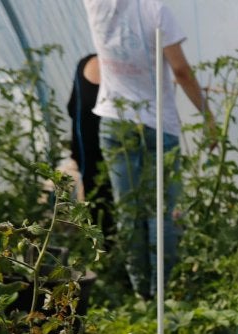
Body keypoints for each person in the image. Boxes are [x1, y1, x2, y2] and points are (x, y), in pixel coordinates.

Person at [81, 0, 213, 298]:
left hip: (114, 120)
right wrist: (209, 116)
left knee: (129, 209)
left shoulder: (94, 3)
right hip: (156, 124)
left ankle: (141, 292)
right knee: (162, 211)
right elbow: (181, 71)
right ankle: (162, 292)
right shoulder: (155, 10)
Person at [66, 52, 115, 240]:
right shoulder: (121, 72)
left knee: (95, 200)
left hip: (84, 148)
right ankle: (114, 255)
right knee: (115, 203)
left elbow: (71, 107)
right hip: (109, 151)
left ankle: (100, 251)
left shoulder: (84, 63)